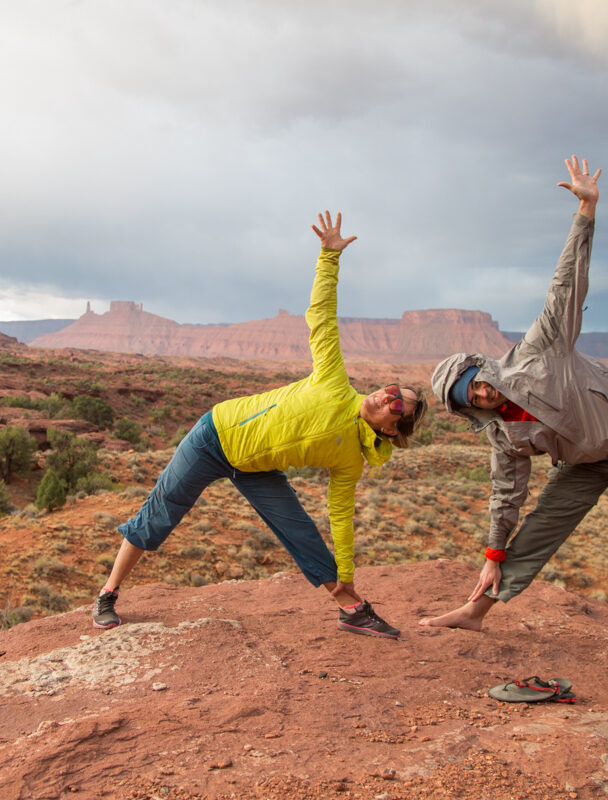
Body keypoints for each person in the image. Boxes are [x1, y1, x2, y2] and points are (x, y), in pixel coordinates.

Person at [94, 211, 427, 638]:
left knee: (298, 528)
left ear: (392, 430)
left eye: (397, 403)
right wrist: (329, 258)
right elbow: (321, 317)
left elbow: (340, 515)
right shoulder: (334, 380)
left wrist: (347, 570)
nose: (387, 394)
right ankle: (107, 594)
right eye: (393, 388)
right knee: (162, 511)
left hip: (255, 468)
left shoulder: (351, 461)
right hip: (215, 436)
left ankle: (351, 607)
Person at [419, 154, 606, 631]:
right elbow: (507, 494)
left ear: (481, 366)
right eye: (469, 396)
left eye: (474, 379)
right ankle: (475, 613)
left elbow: (564, 288)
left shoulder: (538, 352)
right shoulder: (502, 436)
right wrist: (493, 552)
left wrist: (585, 214)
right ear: (468, 409)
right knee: (535, 530)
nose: (480, 392)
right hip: (588, 465)